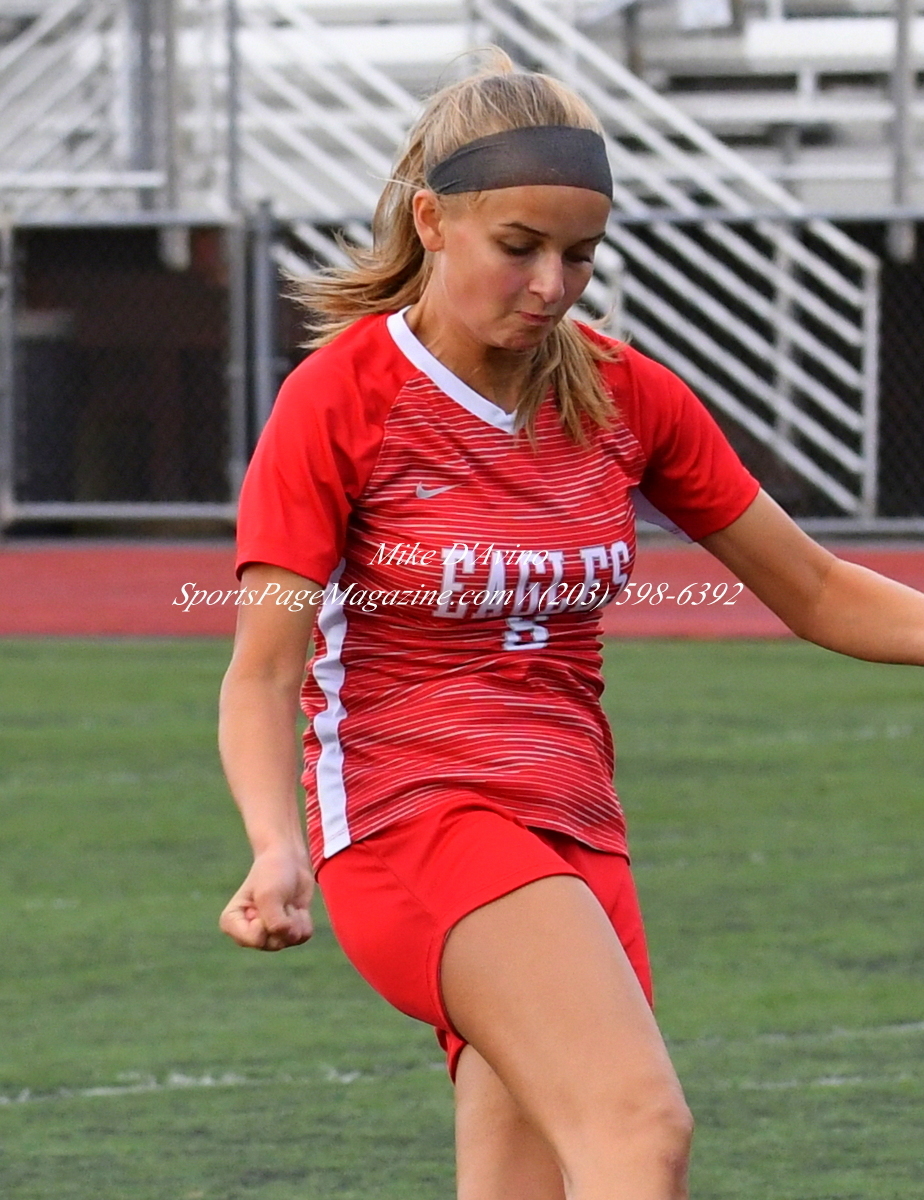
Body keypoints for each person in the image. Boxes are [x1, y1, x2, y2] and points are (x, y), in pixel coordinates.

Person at [217, 54, 924, 1200]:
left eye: (581, 254)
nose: (553, 284)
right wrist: (274, 844)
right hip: (416, 818)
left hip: (579, 830)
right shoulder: (339, 400)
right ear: (432, 221)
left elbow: (818, 589)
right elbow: (261, 674)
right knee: (638, 1129)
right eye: (521, 247)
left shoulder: (625, 392)